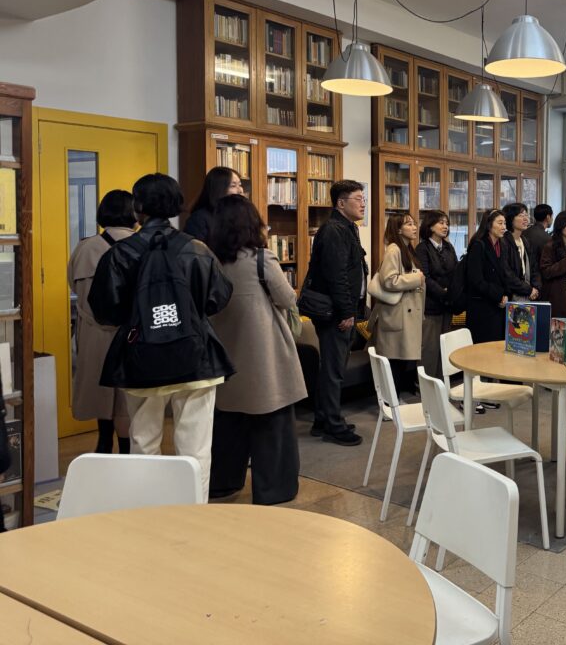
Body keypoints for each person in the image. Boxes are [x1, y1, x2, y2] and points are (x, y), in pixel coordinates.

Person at [89, 173, 234, 500]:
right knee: (196, 447)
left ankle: (148, 513)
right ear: (176, 204)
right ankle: (193, 511)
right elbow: (219, 297)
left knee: (143, 441)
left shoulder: (120, 253)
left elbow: (105, 310)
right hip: (196, 357)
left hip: (142, 359)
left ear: (137, 207)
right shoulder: (197, 249)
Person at [207, 195, 305, 504]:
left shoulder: (211, 261)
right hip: (264, 357)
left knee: (229, 426)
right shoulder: (262, 259)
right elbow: (288, 298)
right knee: (272, 424)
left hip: (226, 355)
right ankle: (273, 489)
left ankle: (223, 483)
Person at [66, 189, 137, 454]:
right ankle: (127, 451)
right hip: (131, 333)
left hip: (93, 332)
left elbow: (73, 283)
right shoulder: (141, 246)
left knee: (100, 389)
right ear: (134, 214)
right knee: (128, 396)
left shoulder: (85, 247)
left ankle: (103, 441)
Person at [305, 179, 368, 446]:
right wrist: (346, 312)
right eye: (358, 199)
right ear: (341, 203)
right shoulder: (333, 230)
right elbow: (336, 276)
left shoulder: (347, 227)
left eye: (364, 199)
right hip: (335, 313)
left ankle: (322, 420)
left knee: (333, 368)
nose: (363, 204)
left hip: (342, 310)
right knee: (333, 371)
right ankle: (333, 425)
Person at [369, 213, 425, 397]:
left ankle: (393, 400)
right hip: (397, 314)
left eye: (414, 224)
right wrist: (416, 278)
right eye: (409, 224)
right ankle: (389, 402)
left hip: (405, 313)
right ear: (398, 230)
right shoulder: (394, 250)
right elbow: (389, 280)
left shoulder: (407, 249)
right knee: (393, 361)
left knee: (400, 361)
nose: (414, 227)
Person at [416, 210, 457, 379]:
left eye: (447, 223)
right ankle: (425, 385)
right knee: (429, 348)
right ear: (430, 226)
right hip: (430, 306)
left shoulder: (448, 247)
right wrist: (442, 292)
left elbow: (456, 272)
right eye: (441, 223)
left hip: (447, 305)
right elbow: (424, 277)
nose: (445, 226)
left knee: (444, 347)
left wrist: (453, 292)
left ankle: (441, 383)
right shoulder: (422, 248)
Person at [466, 209, 510, 344]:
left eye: (505, 223)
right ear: (489, 224)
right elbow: (475, 280)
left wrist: (506, 295)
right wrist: (498, 295)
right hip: (482, 307)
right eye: (500, 223)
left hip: (499, 307)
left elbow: (505, 274)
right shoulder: (478, 245)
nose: (504, 227)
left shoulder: (502, 245)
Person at [184, 167, 244, 244]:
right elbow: (195, 249)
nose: (240, 190)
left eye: (240, 185)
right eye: (233, 186)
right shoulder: (199, 219)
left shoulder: (240, 214)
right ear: (218, 188)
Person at [501, 202, 540, 302]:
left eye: (526, 215)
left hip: (528, 295)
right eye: (521, 215)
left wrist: (535, 288)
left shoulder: (526, 241)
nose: (526, 219)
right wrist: (529, 290)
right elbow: (507, 273)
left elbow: (534, 268)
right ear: (510, 219)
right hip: (511, 296)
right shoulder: (504, 242)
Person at [524, 203, 553, 279]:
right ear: (548, 217)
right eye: (552, 216)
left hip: (524, 274)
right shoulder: (548, 238)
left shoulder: (524, 232)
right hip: (539, 277)